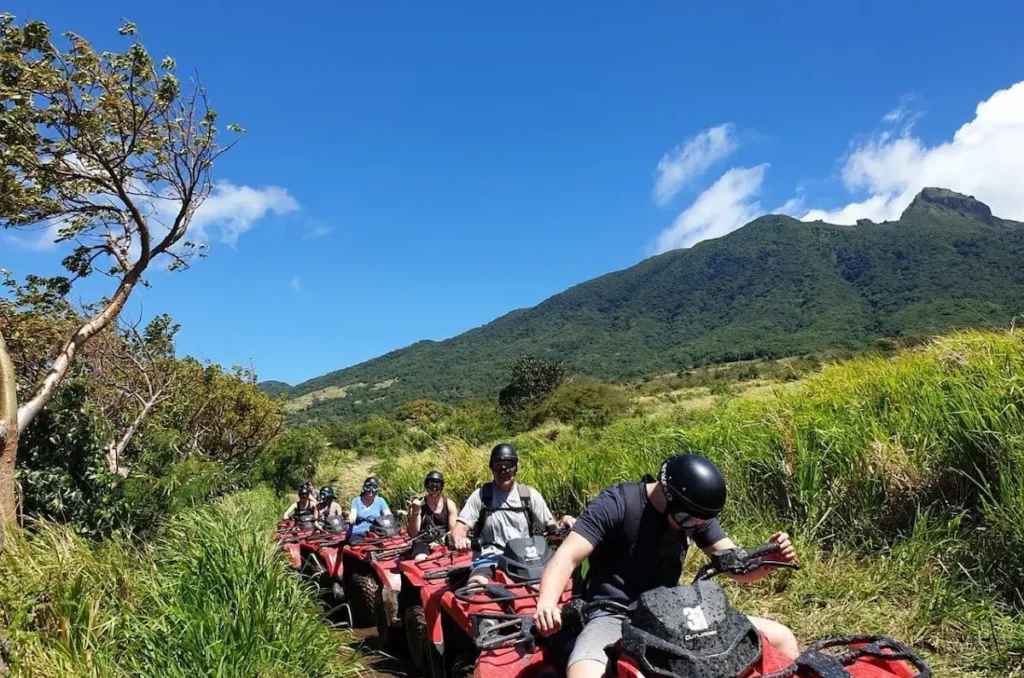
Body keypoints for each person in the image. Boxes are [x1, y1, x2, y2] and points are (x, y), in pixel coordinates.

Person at [532, 453, 799, 678]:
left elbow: (732, 563)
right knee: (585, 673)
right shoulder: (617, 502)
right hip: (614, 614)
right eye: (689, 519)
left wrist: (767, 562)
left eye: (700, 521)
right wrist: (546, 603)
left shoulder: (693, 513)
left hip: (671, 613)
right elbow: (566, 557)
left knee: (782, 637)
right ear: (667, 494)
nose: (695, 526)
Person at [451, 443, 575, 583]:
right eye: (499, 466)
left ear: (516, 467)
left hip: (526, 561)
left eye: (508, 465)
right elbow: (460, 528)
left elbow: (551, 529)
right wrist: (460, 539)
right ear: (492, 468)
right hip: (491, 559)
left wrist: (563, 523)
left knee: (561, 583)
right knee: (476, 585)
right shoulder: (481, 496)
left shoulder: (529, 495)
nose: (504, 471)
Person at [408, 470, 459, 560]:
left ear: (441, 486)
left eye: (437, 485)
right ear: (427, 485)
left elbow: (453, 531)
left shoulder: (449, 504)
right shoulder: (419, 504)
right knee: (420, 559)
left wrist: (440, 542)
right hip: (423, 541)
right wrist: (415, 511)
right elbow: (413, 533)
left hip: (443, 540)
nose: (434, 488)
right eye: (432, 484)